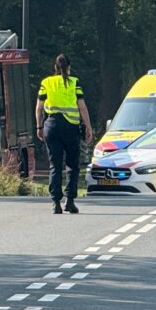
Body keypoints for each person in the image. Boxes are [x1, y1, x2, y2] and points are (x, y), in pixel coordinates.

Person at [36, 54, 93, 215]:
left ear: (55, 67)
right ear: (69, 67)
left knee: (55, 165)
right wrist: (88, 128)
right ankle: (70, 201)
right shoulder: (74, 83)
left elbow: (39, 108)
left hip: (51, 126)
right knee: (72, 165)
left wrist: (39, 127)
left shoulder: (46, 83)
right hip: (70, 128)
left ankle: (55, 203)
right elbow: (82, 107)